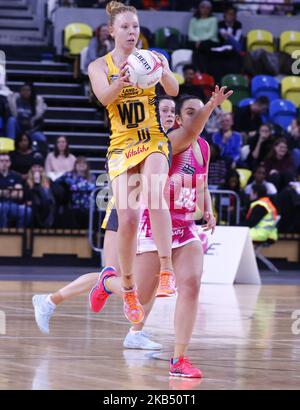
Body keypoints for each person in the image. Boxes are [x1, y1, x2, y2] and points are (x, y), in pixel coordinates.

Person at [32, 88, 232, 378]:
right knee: (136, 293)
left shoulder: (203, 147)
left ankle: (178, 359)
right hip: (150, 225)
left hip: (185, 227)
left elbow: (199, 183)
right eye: (189, 112)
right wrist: (211, 106)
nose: (195, 118)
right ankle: (98, 287)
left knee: (191, 285)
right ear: (178, 119)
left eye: (197, 113)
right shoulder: (168, 142)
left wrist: (208, 209)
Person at [87, 1, 179, 324]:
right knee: (126, 220)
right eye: (125, 27)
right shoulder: (99, 66)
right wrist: (121, 82)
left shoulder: (152, 59)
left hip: (153, 137)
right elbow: (103, 97)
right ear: (111, 30)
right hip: (122, 144)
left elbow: (174, 88)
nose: (132, 32)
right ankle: (127, 288)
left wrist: (164, 71)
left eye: (136, 27)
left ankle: (167, 269)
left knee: (155, 192)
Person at [56, 157, 96, 229]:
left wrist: (75, 186)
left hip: (88, 206)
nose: (81, 165)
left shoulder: (92, 177)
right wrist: (67, 186)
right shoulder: (69, 175)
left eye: (84, 163)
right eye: (79, 163)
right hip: (73, 205)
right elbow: (57, 182)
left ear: (87, 166)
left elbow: (92, 187)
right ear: (75, 165)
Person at [0, 153, 31, 228]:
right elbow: (15, 191)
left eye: (6, 161)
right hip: (0, 204)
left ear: (10, 163)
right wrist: (10, 190)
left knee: (28, 211)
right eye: (1, 161)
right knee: (1, 208)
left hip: (13, 205)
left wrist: (2, 192)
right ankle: (2, 235)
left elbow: (19, 195)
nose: (4, 163)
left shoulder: (16, 176)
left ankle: (20, 235)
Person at [25, 157, 55, 228]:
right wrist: (36, 183)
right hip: (33, 204)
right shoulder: (26, 182)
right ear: (31, 168)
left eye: (39, 167)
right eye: (35, 167)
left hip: (45, 205)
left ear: (43, 168)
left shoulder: (49, 181)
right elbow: (26, 197)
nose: (37, 169)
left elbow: (51, 197)